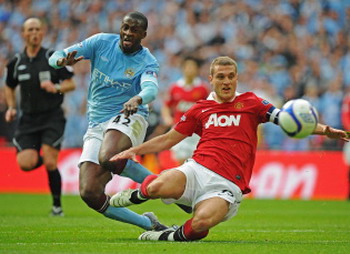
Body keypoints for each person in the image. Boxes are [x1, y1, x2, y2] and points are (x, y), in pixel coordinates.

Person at [108, 56, 349, 241]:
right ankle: (137, 195)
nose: (226, 81)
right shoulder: (199, 108)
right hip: (196, 170)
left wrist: (324, 129)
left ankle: (165, 235)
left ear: (236, 78)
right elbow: (169, 139)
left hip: (227, 185)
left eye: (231, 76)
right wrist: (134, 150)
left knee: (201, 224)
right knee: (157, 185)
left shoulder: (252, 102)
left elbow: (287, 119)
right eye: (221, 77)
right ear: (211, 80)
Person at [48, 11, 169, 230]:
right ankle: (149, 223)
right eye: (125, 27)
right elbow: (55, 56)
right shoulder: (101, 41)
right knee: (89, 193)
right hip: (97, 123)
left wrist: (138, 98)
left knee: (108, 156)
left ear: (143, 34)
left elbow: (151, 89)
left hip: (130, 115)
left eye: (134, 30)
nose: (128, 33)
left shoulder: (147, 60)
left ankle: (167, 186)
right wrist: (60, 61)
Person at [4, 17, 76, 216]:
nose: (35, 33)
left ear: (42, 33)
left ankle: (57, 207)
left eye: (38, 29)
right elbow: (9, 86)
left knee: (52, 162)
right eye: (30, 30)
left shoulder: (53, 58)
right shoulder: (16, 63)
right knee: (25, 164)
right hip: (28, 119)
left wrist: (56, 87)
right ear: (24, 34)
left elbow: (71, 84)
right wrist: (11, 107)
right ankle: (47, 156)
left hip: (52, 117)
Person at [161, 56, 209, 165]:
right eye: (187, 67)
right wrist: (167, 118)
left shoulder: (203, 88)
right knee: (181, 162)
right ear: (182, 69)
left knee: (197, 162)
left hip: (197, 131)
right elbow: (166, 106)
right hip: (179, 129)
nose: (189, 69)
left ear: (197, 69)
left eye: (192, 67)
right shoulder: (175, 87)